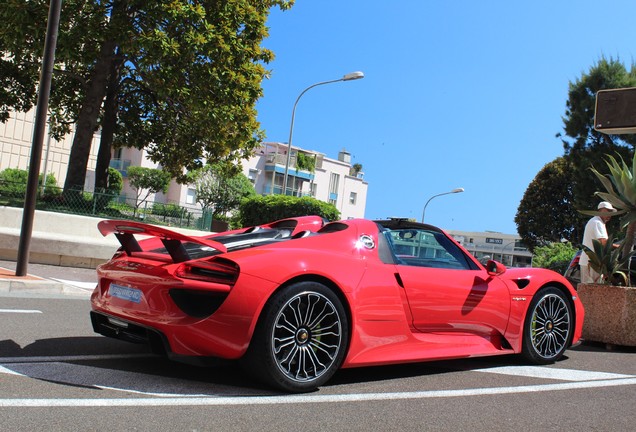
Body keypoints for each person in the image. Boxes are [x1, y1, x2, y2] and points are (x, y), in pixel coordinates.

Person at [579, 201, 617, 283]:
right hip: (592, 263)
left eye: (611, 212)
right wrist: (618, 247)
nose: (610, 214)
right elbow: (603, 242)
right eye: (608, 211)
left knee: (588, 290)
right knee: (593, 289)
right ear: (600, 211)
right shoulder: (597, 222)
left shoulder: (596, 221)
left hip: (590, 263)